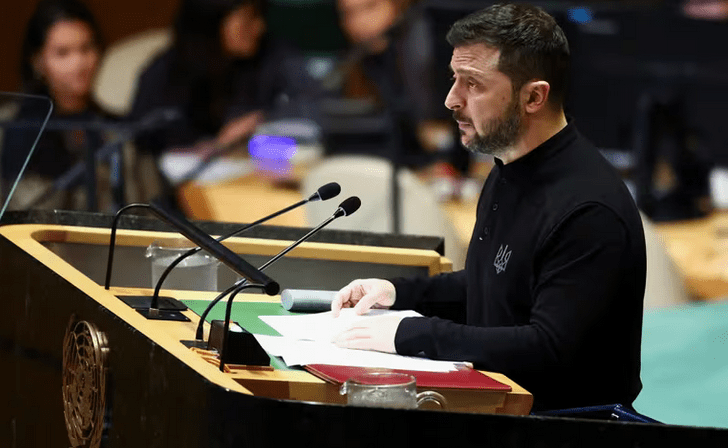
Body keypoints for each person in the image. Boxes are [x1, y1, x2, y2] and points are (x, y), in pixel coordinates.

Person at [330, 3, 647, 412]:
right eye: (453, 80)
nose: (450, 100)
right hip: (500, 406)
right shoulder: (507, 169)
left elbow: (548, 347)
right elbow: (495, 285)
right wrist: (396, 293)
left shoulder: (589, 210)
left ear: (534, 96)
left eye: (473, 85)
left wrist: (409, 333)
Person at [130, 0, 314, 165]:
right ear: (212, 23)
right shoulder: (170, 69)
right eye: (249, 19)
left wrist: (261, 119)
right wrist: (211, 145)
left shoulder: (273, 55)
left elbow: (313, 102)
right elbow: (144, 135)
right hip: (188, 180)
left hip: (262, 171)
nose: (259, 27)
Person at [330, 0, 467, 172]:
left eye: (370, 7)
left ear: (398, 5)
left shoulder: (432, 52)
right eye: (348, 14)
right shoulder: (357, 64)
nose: (360, 22)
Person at [1, 0, 111, 210]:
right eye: (63, 53)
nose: (79, 63)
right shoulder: (17, 127)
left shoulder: (111, 127)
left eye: (86, 48)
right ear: (37, 61)